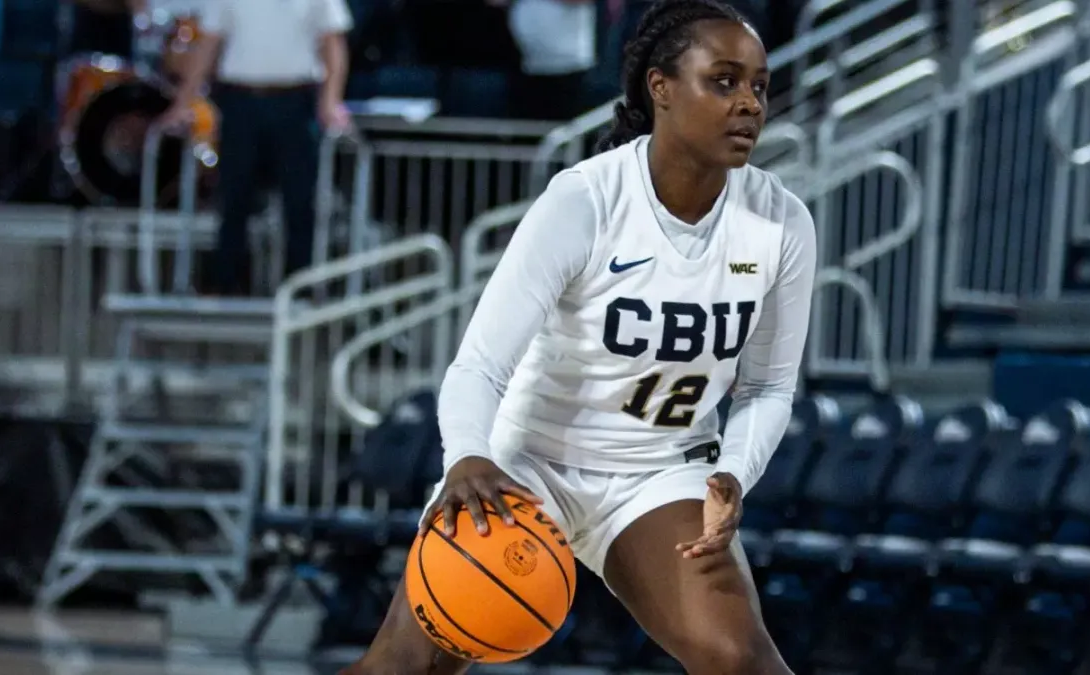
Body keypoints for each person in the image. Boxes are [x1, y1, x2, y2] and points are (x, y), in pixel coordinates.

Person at [344, 0, 815, 672]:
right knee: (407, 665)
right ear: (661, 89)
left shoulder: (782, 223)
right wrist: (469, 457)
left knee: (744, 659)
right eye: (723, 81)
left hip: (660, 470)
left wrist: (734, 471)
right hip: (530, 461)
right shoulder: (585, 200)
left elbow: (769, 385)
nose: (748, 103)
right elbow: (478, 366)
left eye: (759, 87)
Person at [159, 0, 352, 295]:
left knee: (300, 199)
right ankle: (226, 284)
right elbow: (209, 42)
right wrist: (183, 102)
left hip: (296, 101)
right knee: (233, 196)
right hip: (239, 101)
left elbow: (332, 42)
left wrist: (330, 100)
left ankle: (301, 289)